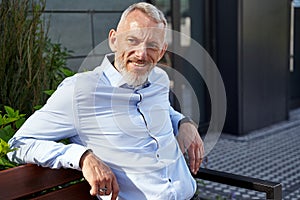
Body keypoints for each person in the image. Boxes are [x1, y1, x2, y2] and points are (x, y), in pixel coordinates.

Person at [8, 2, 204, 200]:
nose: (142, 54)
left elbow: (163, 110)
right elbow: (19, 144)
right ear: (113, 40)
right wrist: (82, 157)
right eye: (132, 40)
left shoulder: (159, 79)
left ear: (161, 51)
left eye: (152, 46)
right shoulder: (80, 91)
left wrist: (183, 122)